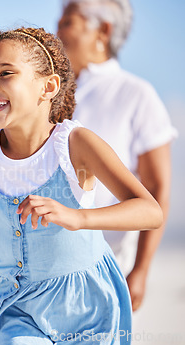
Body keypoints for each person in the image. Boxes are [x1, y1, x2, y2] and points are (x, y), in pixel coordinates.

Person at [0, 27, 163, 345]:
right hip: (13, 306)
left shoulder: (75, 144)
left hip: (85, 309)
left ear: (48, 87)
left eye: (5, 73)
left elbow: (149, 211)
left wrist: (78, 218)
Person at [57, 0, 177, 312]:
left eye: (69, 21)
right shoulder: (51, 92)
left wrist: (140, 270)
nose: (57, 29)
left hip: (106, 265)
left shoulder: (136, 94)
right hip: (50, 263)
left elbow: (158, 188)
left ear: (104, 30)